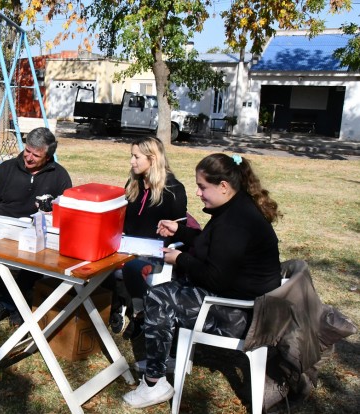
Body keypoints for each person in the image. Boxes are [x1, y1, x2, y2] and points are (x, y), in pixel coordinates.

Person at [122, 153, 282, 409]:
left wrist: (181, 259)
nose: (197, 193)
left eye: (202, 186)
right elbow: (213, 247)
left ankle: (154, 382)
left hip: (241, 316)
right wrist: (181, 231)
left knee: (158, 297)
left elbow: (215, 277)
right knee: (168, 291)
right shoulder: (236, 208)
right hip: (246, 301)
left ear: (223, 186)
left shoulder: (236, 222)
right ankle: (165, 359)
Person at [0, 127, 72, 327]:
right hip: (4, 230)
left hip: (38, 235)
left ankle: (6, 302)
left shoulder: (59, 176)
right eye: (27, 150)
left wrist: (50, 213)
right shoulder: (7, 168)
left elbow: (67, 213)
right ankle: (17, 302)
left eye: (36, 155)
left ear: (48, 156)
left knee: (41, 258)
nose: (28, 157)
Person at [111, 137, 187, 339]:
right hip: (127, 245)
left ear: (152, 159)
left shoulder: (174, 190)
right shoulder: (134, 184)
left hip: (155, 252)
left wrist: (170, 234)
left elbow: (181, 229)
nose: (132, 162)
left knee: (133, 267)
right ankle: (114, 306)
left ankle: (139, 312)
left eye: (136, 157)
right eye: (132, 156)